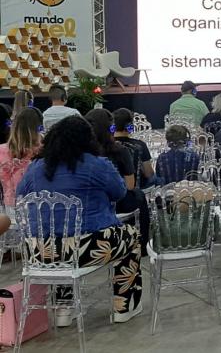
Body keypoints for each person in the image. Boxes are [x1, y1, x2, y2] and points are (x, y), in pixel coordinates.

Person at [17, 116, 143, 325]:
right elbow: (120, 192)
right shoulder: (97, 164)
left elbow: (21, 196)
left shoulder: (36, 167)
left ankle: (63, 309)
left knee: (61, 237)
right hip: (86, 247)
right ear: (88, 140)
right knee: (131, 236)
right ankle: (123, 305)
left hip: (39, 250)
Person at [85, 108, 151, 251]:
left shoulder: (82, 153)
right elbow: (129, 186)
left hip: (89, 204)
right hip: (116, 202)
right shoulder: (121, 151)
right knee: (139, 194)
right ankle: (143, 244)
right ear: (111, 129)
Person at [0, 107, 42, 208]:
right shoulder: (43, 150)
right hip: (36, 207)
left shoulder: (1, 150)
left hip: (7, 207)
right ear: (39, 127)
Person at [112, 108, 155, 188]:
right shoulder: (140, 145)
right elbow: (149, 173)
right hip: (136, 191)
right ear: (130, 126)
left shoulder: (105, 145)